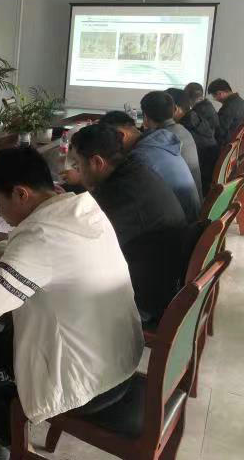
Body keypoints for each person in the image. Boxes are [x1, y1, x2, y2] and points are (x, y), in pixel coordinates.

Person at [0, 147, 143, 460]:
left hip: (86, 378)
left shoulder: (41, 235)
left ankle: (10, 443)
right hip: (117, 355)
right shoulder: (79, 208)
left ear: (21, 194)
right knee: (0, 342)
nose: (0, 213)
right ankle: (0, 429)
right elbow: (46, 255)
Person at [70, 124, 191, 319]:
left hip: (146, 300)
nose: (77, 171)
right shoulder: (135, 170)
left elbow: (81, 241)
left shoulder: (122, 194)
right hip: (164, 277)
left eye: (77, 165)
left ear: (97, 162)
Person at [101, 111, 201, 222]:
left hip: (183, 225)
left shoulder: (139, 158)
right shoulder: (157, 143)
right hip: (191, 218)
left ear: (121, 135)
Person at [141, 90, 202, 198]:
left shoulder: (160, 139)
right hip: (195, 197)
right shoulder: (182, 129)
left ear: (145, 117)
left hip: (181, 202)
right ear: (174, 110)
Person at [183, 82, 220, 194]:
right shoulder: (206, 105)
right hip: (211, 150)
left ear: (188, 99)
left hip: (204, 156)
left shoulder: (196, 112)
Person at [207, 78, 244, 146]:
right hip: (236, 144)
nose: (215, 99)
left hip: (226, 145)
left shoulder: (228, 107)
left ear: (220, 93)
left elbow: (219, 132)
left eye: (215, 97)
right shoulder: (243, 103)